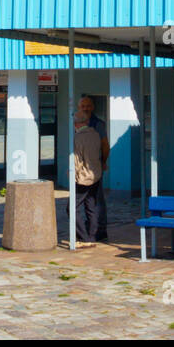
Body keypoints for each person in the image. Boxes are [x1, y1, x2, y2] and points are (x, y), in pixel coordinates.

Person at [80, 95, 111, 241]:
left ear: (92, 107)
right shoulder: (77, 122)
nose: (85, 108)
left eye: (88, 105)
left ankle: (101, 228)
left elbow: (105, 145)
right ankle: (91, 227)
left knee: (97, 198)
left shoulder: (98, 124)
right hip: (81, 167)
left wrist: (103, 162)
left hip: (94, 167)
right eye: (83, 106)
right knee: (87, 199)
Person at [72, 101, 104, 247]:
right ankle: (92, 235)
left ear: (77, 124)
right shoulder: (96, 134)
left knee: (72, 207)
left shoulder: (78, 138)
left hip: (83, 177)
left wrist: (74, 174)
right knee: (91, 206)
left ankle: (83, 237)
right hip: (96, 174)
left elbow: (77, 160)